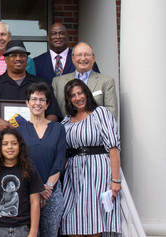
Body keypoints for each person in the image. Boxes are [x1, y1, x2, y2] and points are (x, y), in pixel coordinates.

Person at [60, 78, 121, 236]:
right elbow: (64, 153)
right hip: (73, 177)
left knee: (94, 221)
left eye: (80, 93)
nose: (78, 97)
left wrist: (115, 180)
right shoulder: (66, 121)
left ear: (86, 94)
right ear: (69, 100)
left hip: (97, 173)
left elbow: (113, 148)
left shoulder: (99, 113)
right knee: (71, 222)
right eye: (73, 95)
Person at [0, 40, 62, 147]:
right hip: (1, 146)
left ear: (26, 59)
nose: (18, 59)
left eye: (22, 55)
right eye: (13, 55)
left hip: (34, 144)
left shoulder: (41, 85)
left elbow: (53, 114)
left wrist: (40, 125)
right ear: (5, 59)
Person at [16, 82, 66, 237]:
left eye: (42, 100)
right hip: (27, 193)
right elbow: (19, 163)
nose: (38, 103)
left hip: (52, 192)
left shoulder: (58, 128)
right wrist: (37, 189)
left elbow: (59, 161)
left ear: (47, 104)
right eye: (34, 99)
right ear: (27, 102)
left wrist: (48, 187)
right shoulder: (18, 131)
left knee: (50, 233)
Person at [0, 129, 44, 237]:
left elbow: (35, 202)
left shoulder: (29, 170)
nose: (10, 147)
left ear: (20, 146)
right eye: (5, 144)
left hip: (22, 228)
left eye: (14, 143)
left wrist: (33, 232)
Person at [52, 42, 118, 119]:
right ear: (73, 59)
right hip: (66, 129)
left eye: (87, 55)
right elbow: (54, 113)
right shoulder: (58, 82)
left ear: (93, 58)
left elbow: (111, 113)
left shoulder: (107, 82)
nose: (83, 58)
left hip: (96, 130)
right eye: (79, 55)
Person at [33, 23, 99, 85]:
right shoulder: (36, 62)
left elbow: (96, 83)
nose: (58, 37)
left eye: (61, 33)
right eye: (54, 34)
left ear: (67, 37)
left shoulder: (84, 60)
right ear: (48, 38)